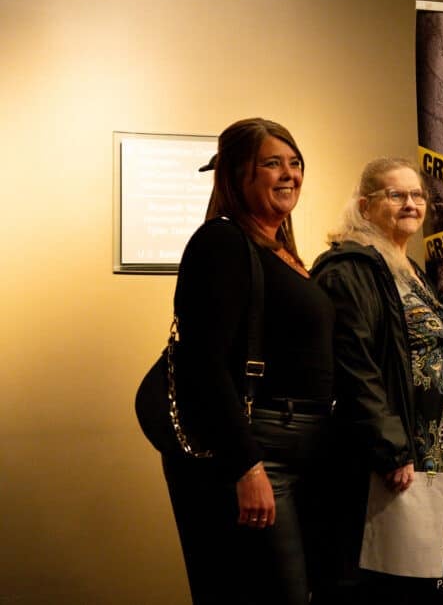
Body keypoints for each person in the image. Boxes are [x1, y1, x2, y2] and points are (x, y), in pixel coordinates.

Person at [162, 118, 335, 604]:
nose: (289, 174)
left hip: (308, 450)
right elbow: (204, 364)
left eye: (295, 163)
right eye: (272, 163)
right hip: (264, 453)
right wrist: (248, 467)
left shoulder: (282, 251)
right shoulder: (222, 242)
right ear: (239, 175)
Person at [311, 157, 443, 604]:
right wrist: (392, 449)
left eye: (417, 194)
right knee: (387, 585)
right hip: (393, 464)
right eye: (396, 194)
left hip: (427, 459)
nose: (411, 203)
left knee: (416, 582)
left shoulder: (403, 266)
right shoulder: (350, 269)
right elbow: (356, 366)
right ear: (365, 206)